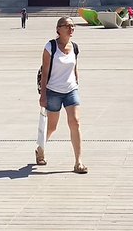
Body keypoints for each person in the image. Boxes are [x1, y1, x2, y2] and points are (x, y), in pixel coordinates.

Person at [36, 17, 86, 174]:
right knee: (52, 127)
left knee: (75, 122)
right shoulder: (50, 47)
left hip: (71, 90)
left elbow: (75, 67)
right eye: (67, 26)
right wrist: (43, 95)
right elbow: (45, 73)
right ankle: (40, 148)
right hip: (53, 91)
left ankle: (78, 162)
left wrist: (76, 83)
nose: (71, 29)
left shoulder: (75, 47)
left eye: (73, 26)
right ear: (58, 29)